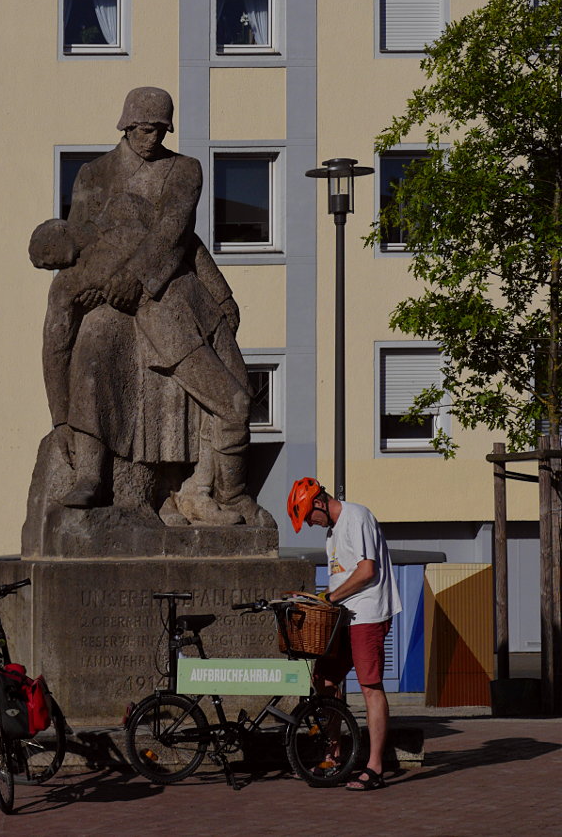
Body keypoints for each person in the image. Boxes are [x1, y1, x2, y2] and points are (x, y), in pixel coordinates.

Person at [31, 87, 270, 526]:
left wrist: (138, 278)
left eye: (160, 130)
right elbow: (84, 240)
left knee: (234, 398)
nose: (151, 138)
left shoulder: (184, 170)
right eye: (144, 130)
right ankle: (91, 472)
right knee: (94, 345)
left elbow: (176, 232)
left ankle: (201, 490)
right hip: (112, 300)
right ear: (126, 126)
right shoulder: (94, 174)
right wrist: (59, 417)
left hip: (169, 293)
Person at [287, 477, 402, 791]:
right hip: (343, 616)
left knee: (369, 686)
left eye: (309, 515)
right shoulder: (332, 532)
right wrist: (320, 598)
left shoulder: (357, 517)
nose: (310, 523)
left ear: (319, 501)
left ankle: (375, 767)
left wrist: (330, 598)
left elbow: (367, 571)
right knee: (324, 681)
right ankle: (333, 756)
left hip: (367, 613)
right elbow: (340, 580)